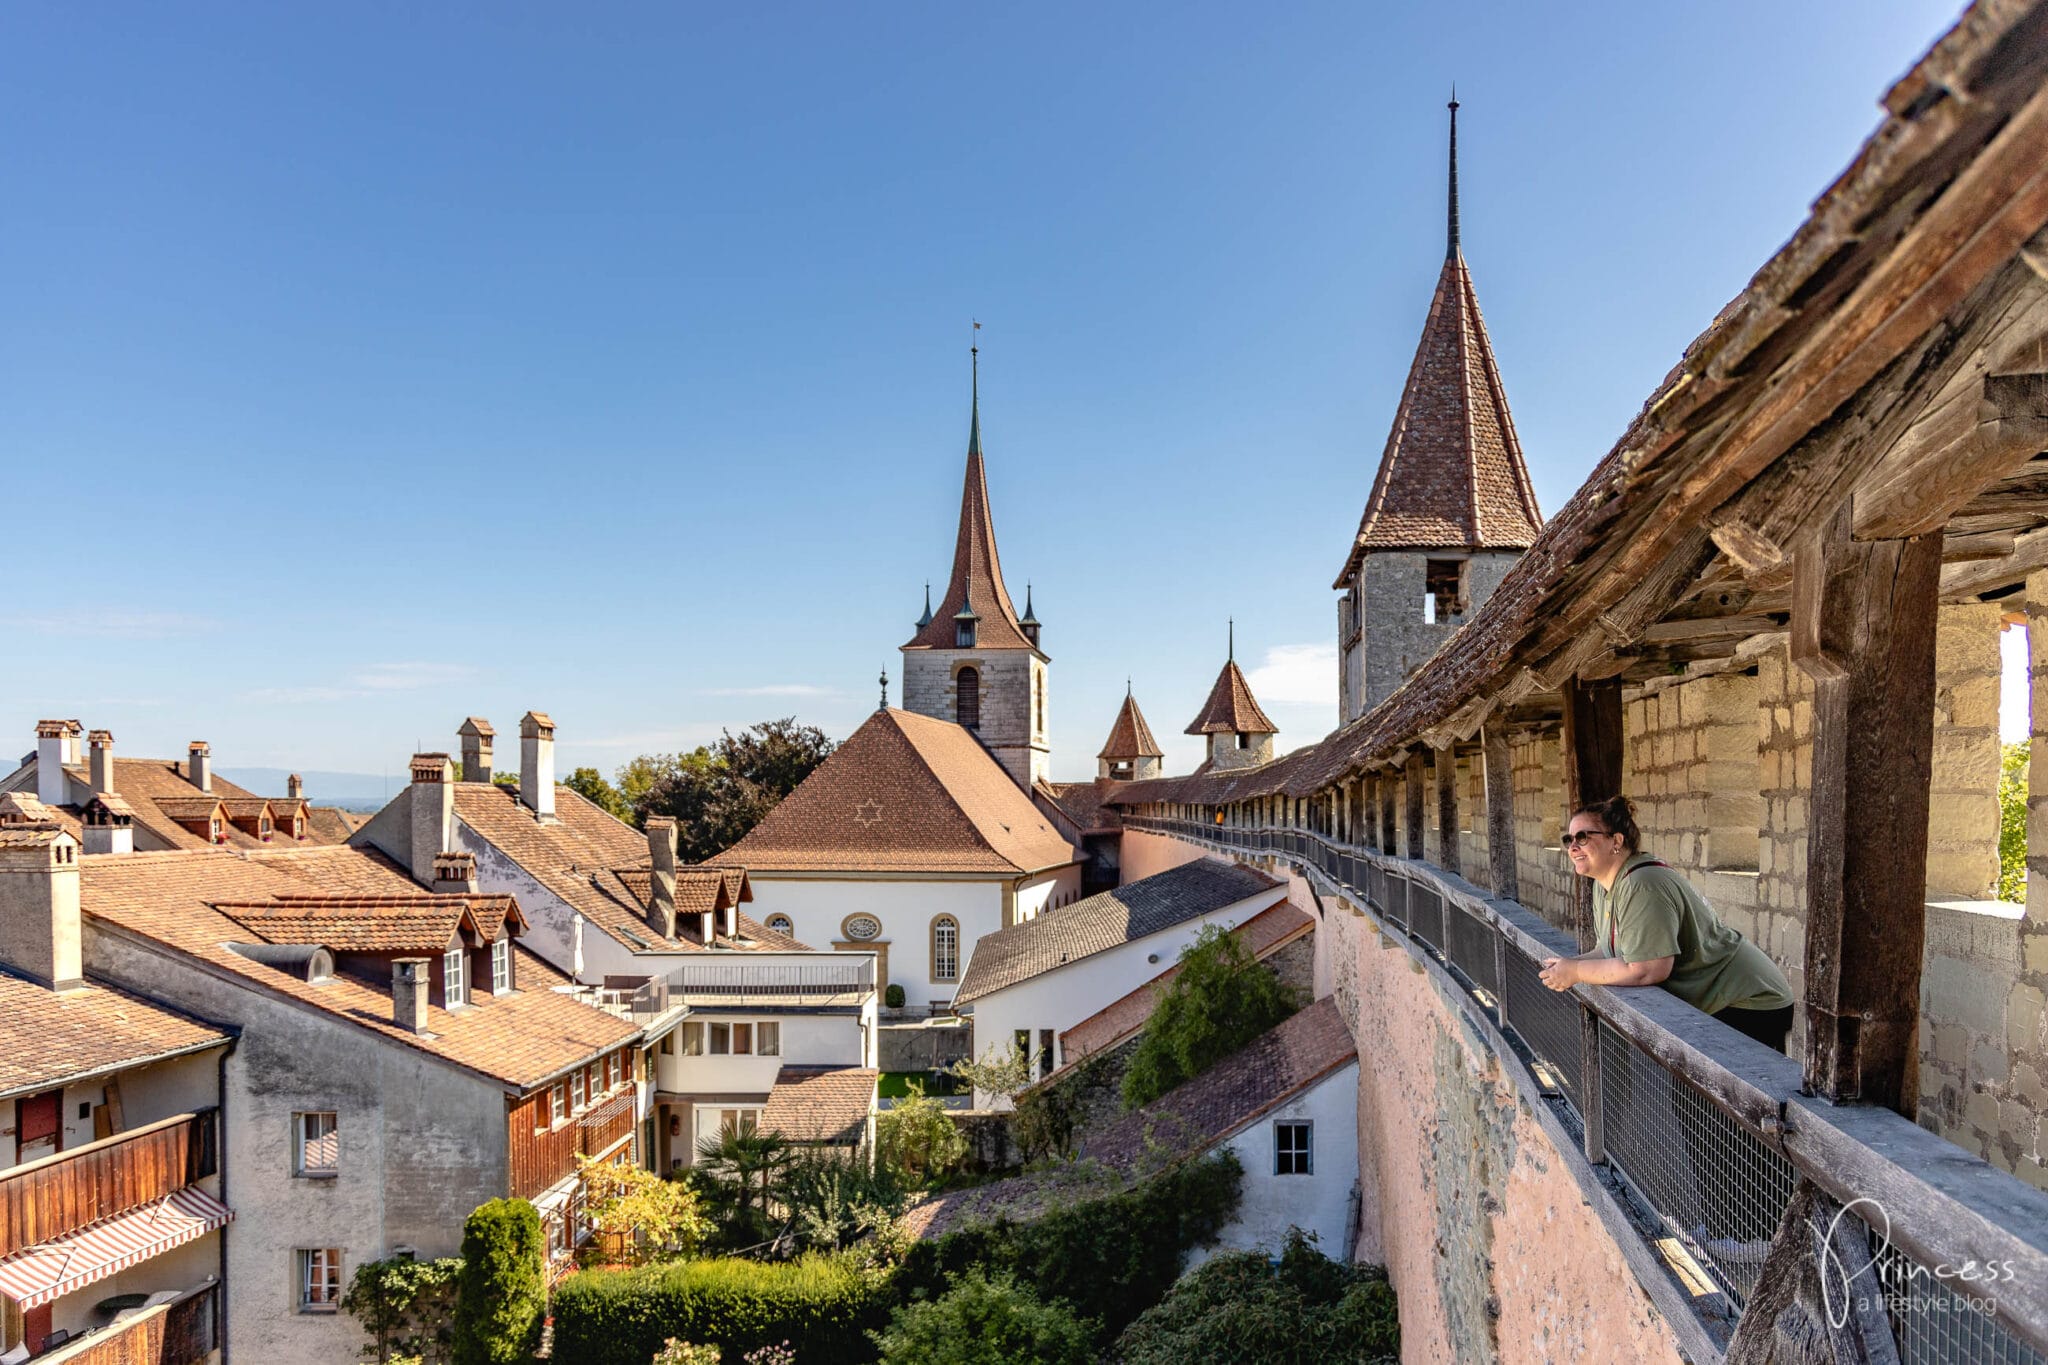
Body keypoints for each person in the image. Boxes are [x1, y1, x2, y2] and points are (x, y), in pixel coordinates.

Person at [1538, 795, 1794, 1052]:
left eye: (1583, 837)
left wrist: (1577, 973)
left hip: (1749, 999)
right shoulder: (1605, 886)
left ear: (1616, 840)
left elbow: (1648, 969)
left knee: (1712, 1089)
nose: (1572, 847)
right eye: (1568, 839)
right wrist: (1568, 967)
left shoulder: (1642, 883)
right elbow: (1610, 950)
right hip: (1720, 997)